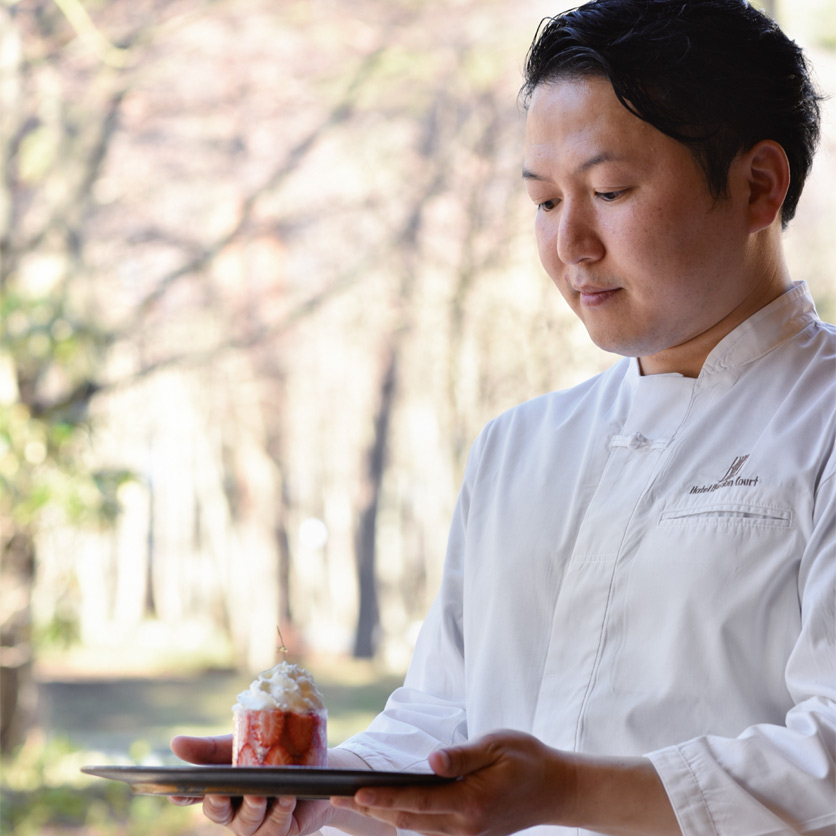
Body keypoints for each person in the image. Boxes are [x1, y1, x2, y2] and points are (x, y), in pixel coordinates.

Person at [171, 1, 835, 833]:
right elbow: (444, 724)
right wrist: (303, 791)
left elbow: (829, 758)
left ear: (758, 185)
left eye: (608, 190)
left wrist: (566, 792)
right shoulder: (519, 447)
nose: (571, 244)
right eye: (546, 202)